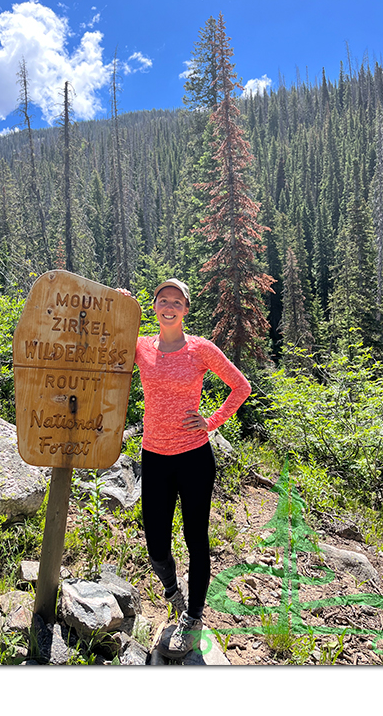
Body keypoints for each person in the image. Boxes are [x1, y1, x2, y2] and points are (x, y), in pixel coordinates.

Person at [120, 278, 251, 659]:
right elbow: (110, 345)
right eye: (163, 300)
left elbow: (240, 386)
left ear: (186, 309)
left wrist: (210, 421)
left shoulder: (200, 349)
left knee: (197, 541)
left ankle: (193, 617)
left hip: (194, 458)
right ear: (155, 306)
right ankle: (173, 594)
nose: (169, 306)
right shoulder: (141, 346)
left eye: (177, 301)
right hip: (154, 457)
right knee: (156, 545)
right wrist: (119, 305)